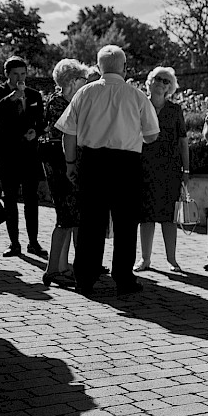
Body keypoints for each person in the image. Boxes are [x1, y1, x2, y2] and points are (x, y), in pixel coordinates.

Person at [56, 45, 160, 297]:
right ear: (125, 67)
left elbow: (68, 132)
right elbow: (152, 135)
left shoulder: (84, 94)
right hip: (126, 164)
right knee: (126, 223)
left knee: (91, 221)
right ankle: (123, 277)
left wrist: (70, 164)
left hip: (92, 162)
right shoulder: (136, 96)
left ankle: (85, 277)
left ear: (99, 66)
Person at [0, 56, 46, 258]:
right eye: (15, 74)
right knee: (10, 199)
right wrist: (10, 99)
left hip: (29, 154)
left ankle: (34, 242)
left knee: (32, 199)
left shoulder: (34, 94)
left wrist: (35, 132)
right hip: (6, 154)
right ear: (7, 74)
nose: (20, 78)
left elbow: (41, 121)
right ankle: (14, 243)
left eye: (23, 74)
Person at [40, 58, 90, 288]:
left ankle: (62, 266)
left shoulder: (69, 101)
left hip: (66, 164)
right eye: (82, 79)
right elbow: (67, 132)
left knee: (70, 218)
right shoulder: (58, 103)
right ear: (71, 81)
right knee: (65, 217)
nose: (86, 83)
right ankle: (52, 269)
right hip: (59, 165)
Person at [136, 67, 189, 273]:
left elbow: (183, 141)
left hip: (170, 169)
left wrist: (186, 170)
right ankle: (145, 259)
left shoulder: (175, 110)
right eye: (157, 79)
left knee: (169, 217)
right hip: (143, 167)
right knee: (145, 216)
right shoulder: (139, 105)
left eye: (166, 81)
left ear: (171, 87)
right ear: (149, 81)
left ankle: (172, 260)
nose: (161, 83)